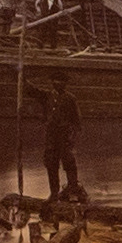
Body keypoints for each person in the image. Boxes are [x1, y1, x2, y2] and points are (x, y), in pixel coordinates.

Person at [35, 73, 84, 202]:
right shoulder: (47, 96)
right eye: (56, 81)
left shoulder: (70, 98)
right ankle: (54, 193)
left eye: (62, 82)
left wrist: (72, 137)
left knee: (69, 163)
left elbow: (77, 120)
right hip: (51, 136)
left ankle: (73, 193)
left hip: (65, 135)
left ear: (65, 84)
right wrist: (21, 77)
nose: (58, 84)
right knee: (51, 164)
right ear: (52, 83)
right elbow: (32, 91)